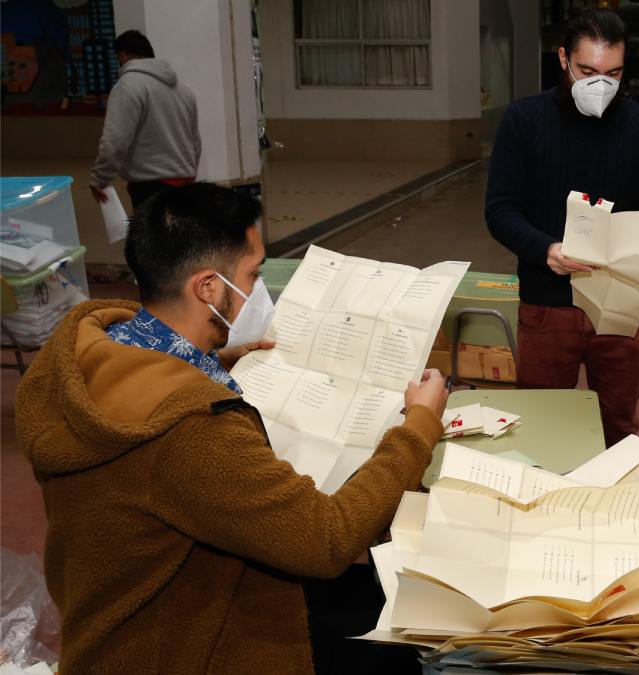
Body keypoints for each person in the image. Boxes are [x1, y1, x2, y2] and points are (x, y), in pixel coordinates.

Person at [15, 183, 449, 672]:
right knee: (397, 628)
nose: (259, 290)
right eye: (252, 274)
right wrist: (418, 427)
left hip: (120, 627)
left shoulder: (93, 353)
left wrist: (210, 358)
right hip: (181, 649)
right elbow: (327, 539)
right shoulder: (189, 428)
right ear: (208, 288)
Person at [485, 8, 639, 447]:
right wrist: (546, 249)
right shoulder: (524, 122)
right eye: (588, 71)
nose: (601, 84)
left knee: (617, 429)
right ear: (563, 58)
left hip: (624, 306)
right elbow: (501, 210)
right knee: (542, 430)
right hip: (549, 308)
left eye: (613, 73)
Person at [90, 30, 201, 209]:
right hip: (185, 182)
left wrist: (99, 179)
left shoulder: (128, 86)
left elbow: (116, 141)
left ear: (123, 57)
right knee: (178, 236)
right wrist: (189, 172)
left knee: (152, 237)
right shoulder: (183, 88)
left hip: (151, 187)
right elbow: (195, 141)